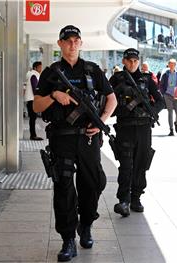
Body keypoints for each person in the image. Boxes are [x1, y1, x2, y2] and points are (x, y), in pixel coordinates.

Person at [33, 25, 117, 262]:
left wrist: (101, 120)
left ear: (81, 43)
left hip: (89, 137)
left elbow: (112, 99)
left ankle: (86, 224)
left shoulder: (92, 70)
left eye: (76, 40)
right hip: (62, 138)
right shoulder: (51, 72)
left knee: (93, 183)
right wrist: (53, 96)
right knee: (64, 188)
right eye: (67, 40)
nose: (72, 44)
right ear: (59, 44)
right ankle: (68, 238)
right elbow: (36, 106)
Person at [109, 48, 164, 217]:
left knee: (141, 163)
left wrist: (150, 112)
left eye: (135, 60)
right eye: (129, 60)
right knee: (126, 165)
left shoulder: (147, 79)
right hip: (125, 127)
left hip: (143, 128)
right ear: (124, 61)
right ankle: (123, 200)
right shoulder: (117, 79)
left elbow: (160, 101)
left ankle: (136, 198)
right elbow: (107, 102)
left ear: (139, 61)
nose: (132, 63)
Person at [159, 58, 177, 136]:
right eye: (170, 64)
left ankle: (176, 123)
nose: (171, 66)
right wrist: (163, 93)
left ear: (175, 65)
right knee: (170, 112)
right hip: (168, 95)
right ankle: (171, 130)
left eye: (173, 64)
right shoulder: (165, 74)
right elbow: (161, 85)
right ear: (168, 65)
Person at [25, 61, 43, 140]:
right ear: (35, 68)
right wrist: (38, 99)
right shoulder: (34, 75)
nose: (41, 69)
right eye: (39, 67)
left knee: (32, 118)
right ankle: (33, 135)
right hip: (32, 100)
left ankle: (33, 135)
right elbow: (35, 88)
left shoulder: (31, 74)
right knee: (33, 118)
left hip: (30, 99)